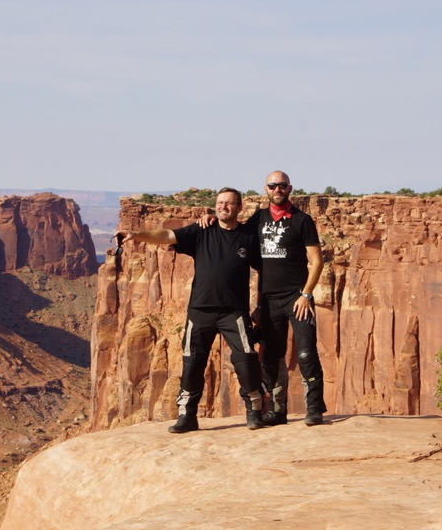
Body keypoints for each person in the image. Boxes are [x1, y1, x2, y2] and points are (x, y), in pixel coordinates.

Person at [116, 188, 264, 433]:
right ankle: (187, 415)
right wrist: (136, 235)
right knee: (192, 362)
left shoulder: (248, 237)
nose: (223, 206)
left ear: (238, 208)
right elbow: (167, 235)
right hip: (200, 310)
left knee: (246, 358)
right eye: (219, 203)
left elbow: (263, 273)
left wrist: (260, 306)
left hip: (234, 312)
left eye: (229, 203)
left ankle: (254, 409)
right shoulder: (201, 231)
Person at [201, 171, 327, 426]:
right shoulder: (258, 219)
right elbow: (233, 230)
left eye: (282, 185)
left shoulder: (302, 221)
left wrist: (306, 294)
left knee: (305, 353)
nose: (277, 189)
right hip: (269, 300)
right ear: (266, 189)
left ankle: (314, 409)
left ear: (289, 188)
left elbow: (316, 261)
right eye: (273, 185)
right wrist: (212, 218)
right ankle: (278, 411)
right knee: (271, 357)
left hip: (297, 298)